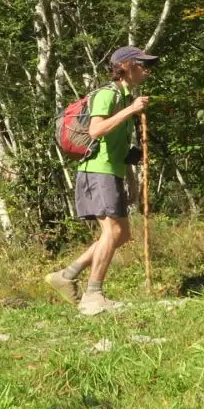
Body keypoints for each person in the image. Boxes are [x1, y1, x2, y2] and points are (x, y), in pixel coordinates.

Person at [46, 45, 155, 315]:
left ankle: (66, 275)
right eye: (142, 64)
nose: (147, 69)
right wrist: (130, 111)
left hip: (110, 170)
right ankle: (93, 295)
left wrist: (133, 155)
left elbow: (111, 139)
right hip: (98, 171)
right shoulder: (108, 94)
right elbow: (96, 130)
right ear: (126, 66)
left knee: (122, 233)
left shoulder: (124, 96)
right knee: (113, 232)